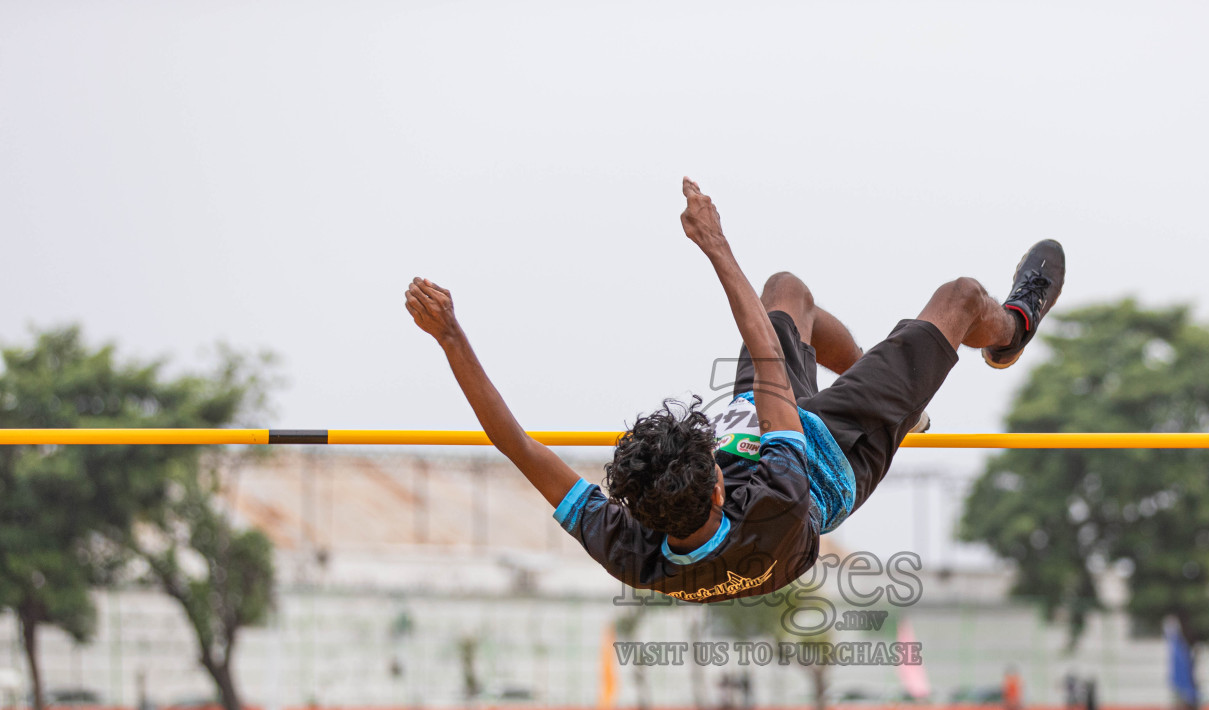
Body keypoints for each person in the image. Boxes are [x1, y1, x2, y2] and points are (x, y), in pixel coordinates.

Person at [405, 178, 1064, 603]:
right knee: (961, 298)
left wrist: (451, 338)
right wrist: (717, 247)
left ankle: (897, 383)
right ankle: (1013, 328)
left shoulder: (631, 550)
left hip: (767, 428)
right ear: (719, 481)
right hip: (833, 460)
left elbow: (516, 445)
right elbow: (766, 355)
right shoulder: (774, 494)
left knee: (788, 294)